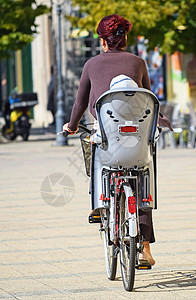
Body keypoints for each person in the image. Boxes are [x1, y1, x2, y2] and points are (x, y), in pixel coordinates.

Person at [63, 14, 171, 266]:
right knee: (142, 178)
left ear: (102, 40)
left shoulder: (91, 65)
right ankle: (145, 248)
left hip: (107, 139)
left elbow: (80, 102)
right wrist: (162, 120)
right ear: (125, 39)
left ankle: (98, 202)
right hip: (136, 139)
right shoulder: (138, 62)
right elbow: (147, 97)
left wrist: (71, 125)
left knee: (92, 145)